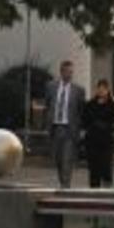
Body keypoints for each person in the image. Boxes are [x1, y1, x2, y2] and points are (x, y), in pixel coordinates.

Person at [45, 60, 86, 188]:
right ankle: (62, 180)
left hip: (69, 128)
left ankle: (66, 185)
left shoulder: (78, 90)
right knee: (57, 158)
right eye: (67, 72)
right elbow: (48, 104)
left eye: (71, 72)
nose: (70, 74)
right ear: (61, 72)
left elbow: (81, 109)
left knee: (66, 158)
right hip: (56, 127)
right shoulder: (51, 87)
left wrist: (81, 128)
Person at [82, 80, 114, 188]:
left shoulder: (113, 105)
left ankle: (107, 184)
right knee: (93, 166)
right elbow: (84, 119)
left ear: (107, 90)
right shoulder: (90, 104)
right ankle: (94, 188)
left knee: (106, 164)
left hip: (106, 140)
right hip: (92, 139)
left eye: (103, 89)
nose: (101, 91)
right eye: (99, 88)